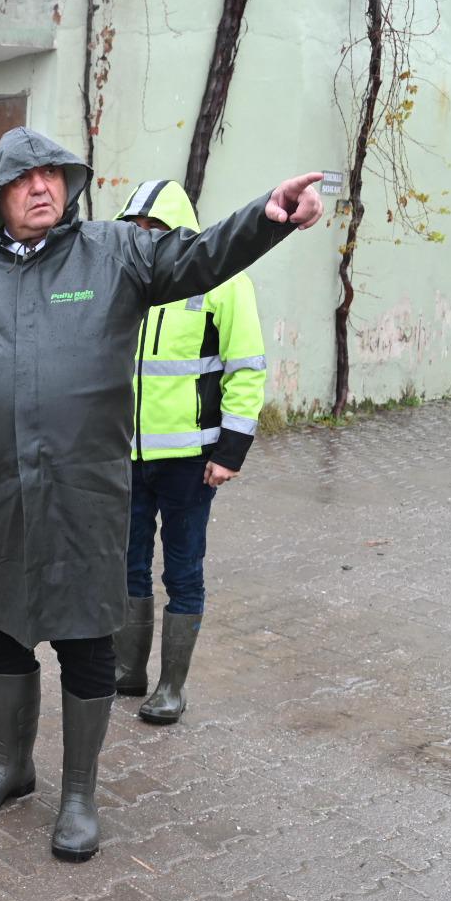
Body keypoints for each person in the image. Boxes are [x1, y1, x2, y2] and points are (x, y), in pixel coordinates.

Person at [0, 127, 320, 862]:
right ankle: (11, 766)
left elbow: (202, 256)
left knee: (86, 639)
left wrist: (265, 217)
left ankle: (78, 794)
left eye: (53, 174)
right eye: (25, 179)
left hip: (87, 494)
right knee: (4, 630)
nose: (43, 187)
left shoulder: (115, 253)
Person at [113, 180, 267, 726]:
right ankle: (127, 672)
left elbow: (246, 369)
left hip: (191, 460)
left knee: (181, 571)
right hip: (127, 456)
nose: (142, 237)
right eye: (133, 228)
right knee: (126, 567)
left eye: (152, 229)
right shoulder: (124, 281)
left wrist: (230, 452)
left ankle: (171, 687)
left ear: (179, 231)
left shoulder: (225, 281)